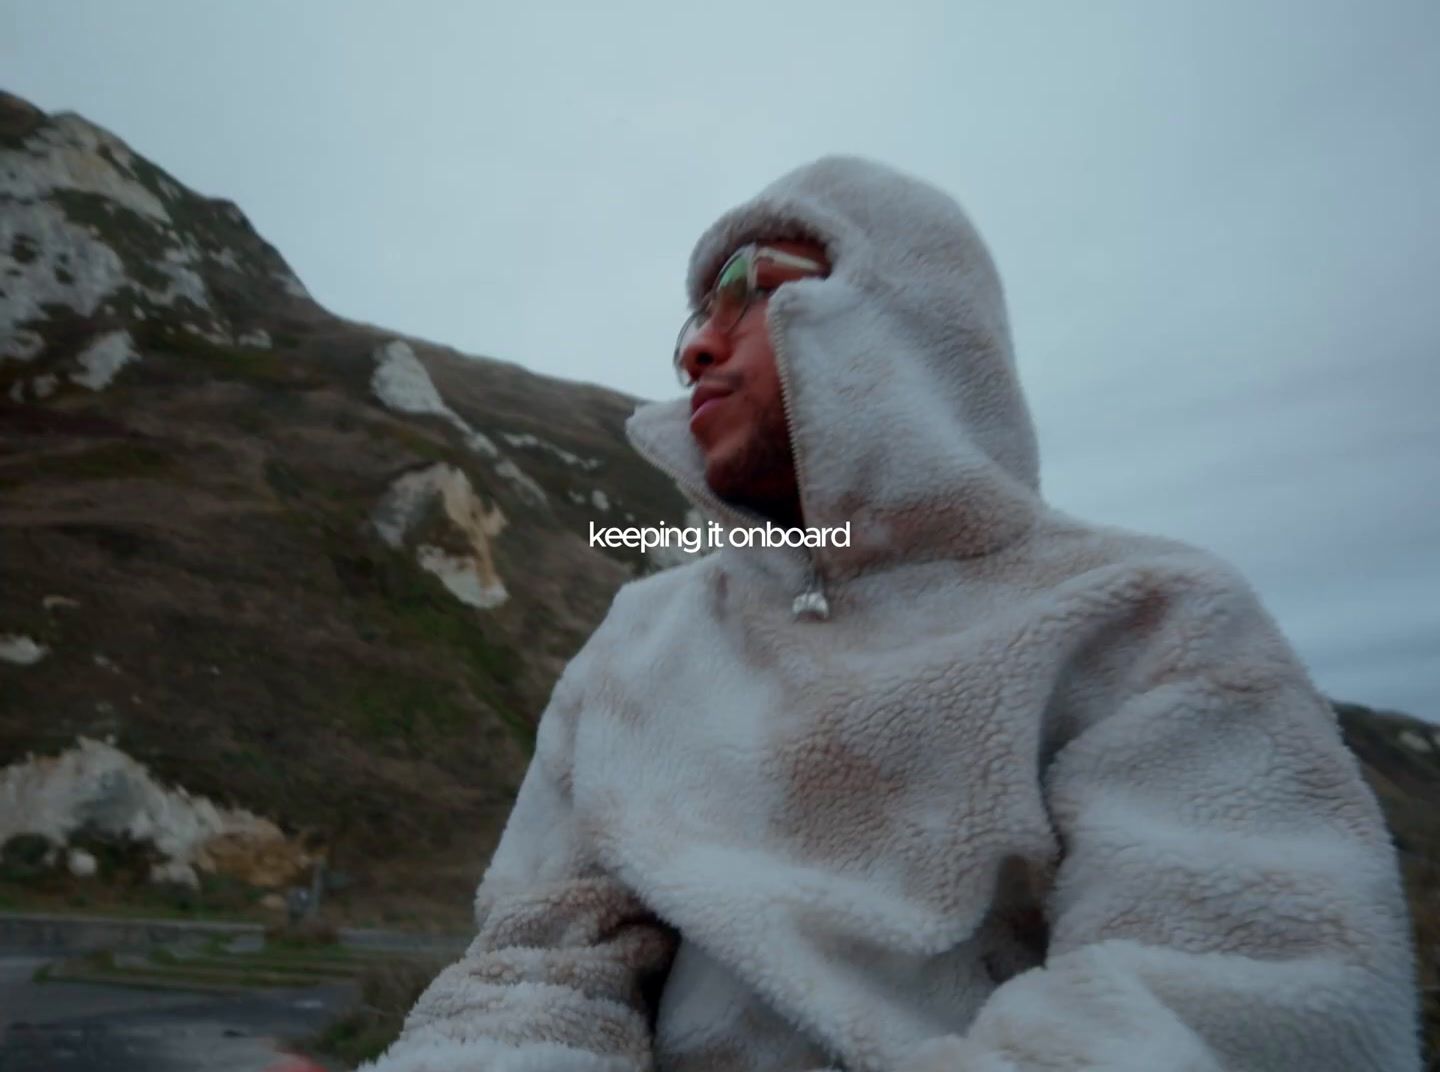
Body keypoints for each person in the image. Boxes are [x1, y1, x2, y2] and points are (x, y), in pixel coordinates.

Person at [364, 157, 1421, 1071]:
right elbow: (531, 972)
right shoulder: (642, 643)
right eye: (695, 316)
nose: (697, 347)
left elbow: (1239, 1001)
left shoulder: (1148, 619)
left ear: (904, 321)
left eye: (748, 288)